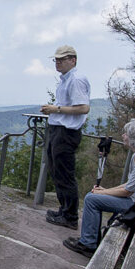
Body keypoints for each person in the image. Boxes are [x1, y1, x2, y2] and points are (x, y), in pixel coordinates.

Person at [64, 119, 135, 257]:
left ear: (134, 139)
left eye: (126, 134)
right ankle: (90, 240)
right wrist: (104, 190)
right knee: (95, 195)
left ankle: (88, 244)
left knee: (91, 199)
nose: (123, 136)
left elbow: (127, 191)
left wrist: (104, 192)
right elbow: (130, 184)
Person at [41, 45, 91, 230]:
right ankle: (64, 210)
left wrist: (56, 109)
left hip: (66, 132)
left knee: (64, 174)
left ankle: (70, 216)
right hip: (58, 130)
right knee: (56, 171)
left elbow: (83, 108)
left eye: (62, 59)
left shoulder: (76, 79)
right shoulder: (65, 80)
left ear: (73, 60)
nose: (58, 62)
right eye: (56, 59)